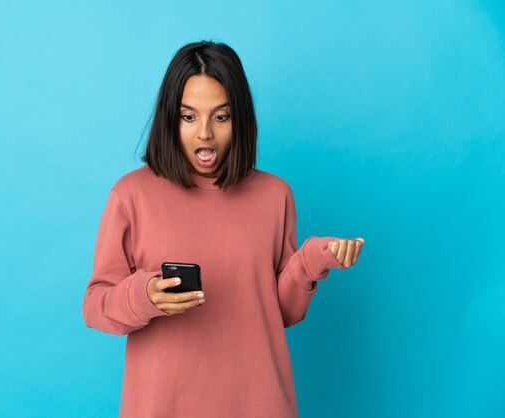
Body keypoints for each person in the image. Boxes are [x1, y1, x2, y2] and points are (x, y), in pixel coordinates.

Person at [81, 40, 365, 418]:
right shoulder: (132, 195)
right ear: (170, 118)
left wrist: (311, 261)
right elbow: (95, 306)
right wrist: (144, 295)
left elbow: (278, 312)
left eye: (220, 116)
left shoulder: (274, 195)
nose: (204, 134)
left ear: (240, 119)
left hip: (258, 403)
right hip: (162, 406)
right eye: (188, 117)